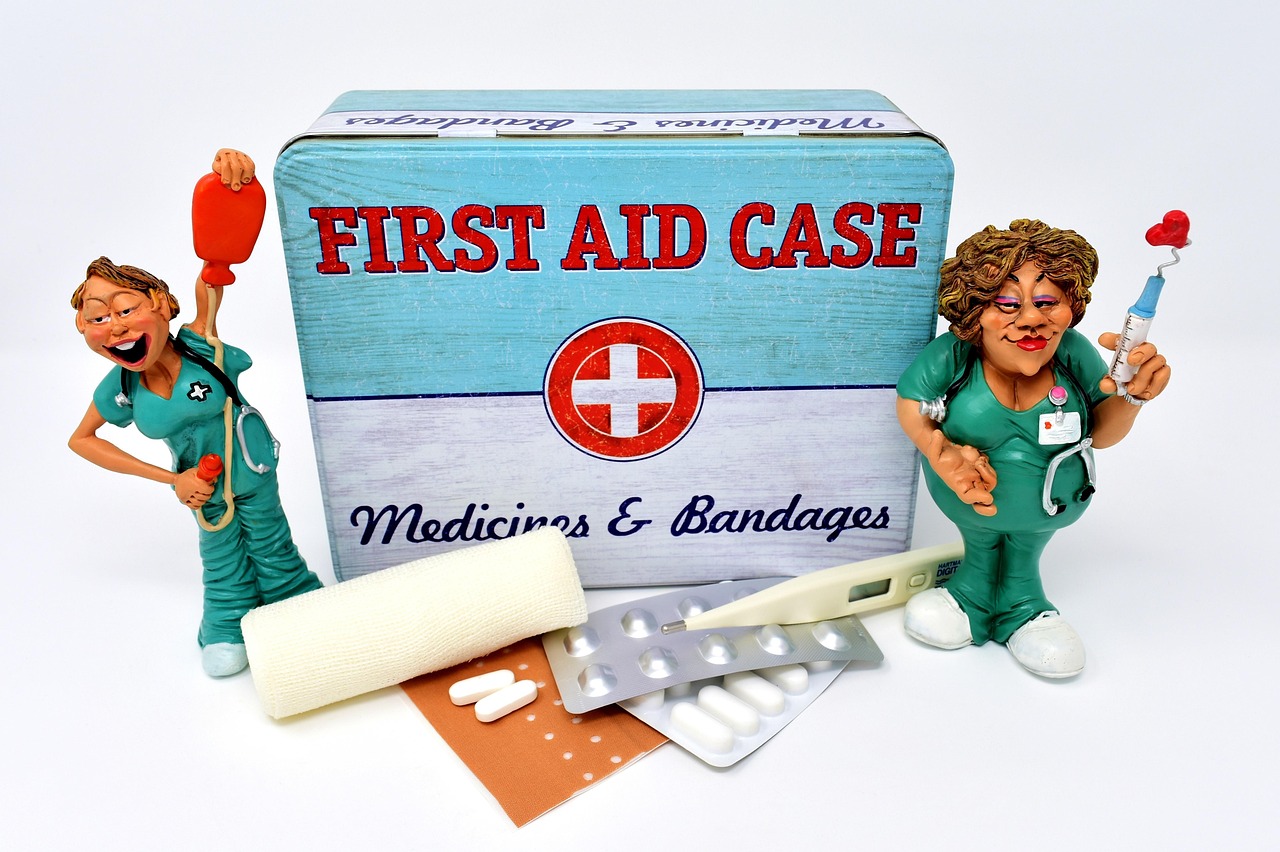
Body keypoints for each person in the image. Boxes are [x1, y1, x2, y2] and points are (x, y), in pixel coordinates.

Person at [68, 149, 323, 678]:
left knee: (270, 539)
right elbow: (83, 440)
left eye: (124, 308)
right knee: (221, 552)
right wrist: (171, 478)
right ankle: (228, 620)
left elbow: (214, 277)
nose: (113, 326)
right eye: (96, 318)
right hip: (201, 489)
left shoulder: (201, 349)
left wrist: (232, 190)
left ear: (160, 303)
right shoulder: (121, 387)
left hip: (248, 467)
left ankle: (295, 600)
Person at [896, 219, 1169, 678]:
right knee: (983, 543)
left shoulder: (1073, 354)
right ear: (974, 309)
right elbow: (912, 405)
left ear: (1072, 306)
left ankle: (1023, 605)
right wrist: (942, 454)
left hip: (1051, 502)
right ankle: (972, 593)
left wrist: (1131, 398)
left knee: (1023, 551)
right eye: (1006, 303)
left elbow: (1101, 434)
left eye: (1048, 303)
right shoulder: (956, 355)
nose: (1029, 319)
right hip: (971, 504)